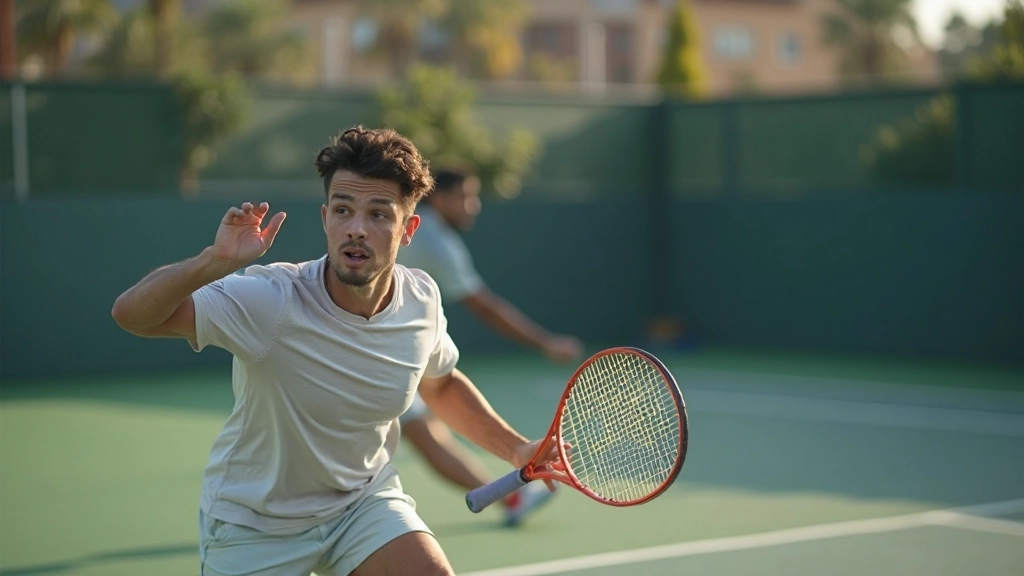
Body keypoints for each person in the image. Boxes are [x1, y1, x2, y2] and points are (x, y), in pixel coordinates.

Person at [111, 126, 557, 576]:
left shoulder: (421, 298)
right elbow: (132, 315)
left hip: (362, 505)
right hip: (255, 525)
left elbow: (440, 385)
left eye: (379, 215)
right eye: (343, 210)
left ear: (408, 230)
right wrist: (212, 263)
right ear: (326, 218)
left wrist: (516, 448)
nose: (357, 229)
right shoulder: (272, 300)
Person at [396, 168, 583, 526]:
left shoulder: (428, 234)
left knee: (425, 430)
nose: (474, 206)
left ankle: (512, 498)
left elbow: (446, 383)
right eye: (466, 196)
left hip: (394, 355)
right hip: (373, 355)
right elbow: (485, 307)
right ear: (441, 198)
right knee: (423, 433)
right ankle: (512, 499)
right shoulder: (433, 240)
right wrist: (546, 343)